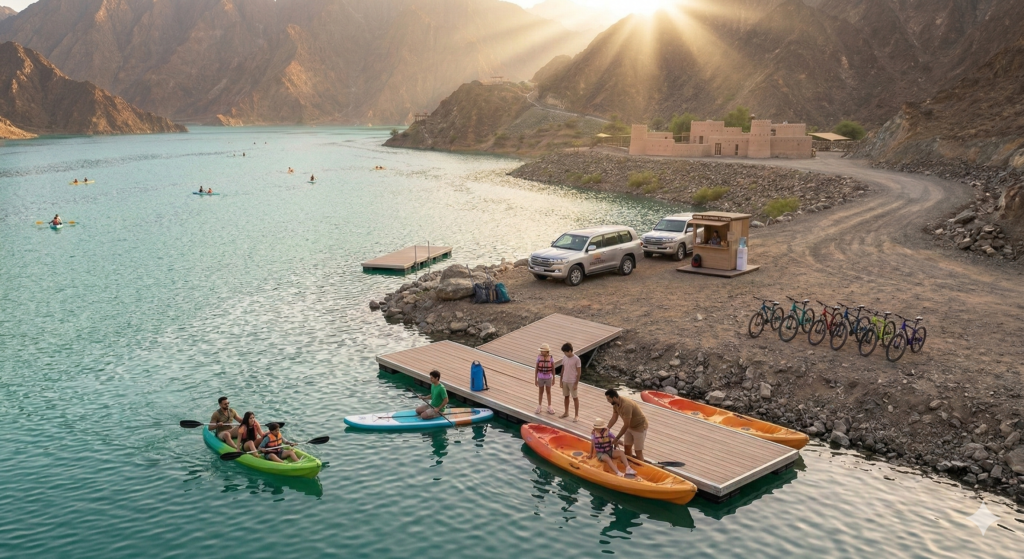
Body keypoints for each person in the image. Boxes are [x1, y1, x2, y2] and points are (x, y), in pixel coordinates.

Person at [605, 389, 649, 462]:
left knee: (638, 451)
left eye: (608, 399)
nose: (608, 401)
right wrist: (607, 428)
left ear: (614, 398)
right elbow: (614, 418)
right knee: (627, 447)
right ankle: (629, 465)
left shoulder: (626, 405)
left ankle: (642, 468)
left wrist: (616, 439)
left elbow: (626, 425)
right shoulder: (615, 404)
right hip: (630, 427)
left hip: (639, 427)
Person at [559, 342, 581, 422]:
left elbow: (579, 372)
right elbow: (563, 369)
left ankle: (576, 415)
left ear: (569, 351)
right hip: (565, 380)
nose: (564, 353)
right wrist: (561, 380)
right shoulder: (564, 357)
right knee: (566, 396)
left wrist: (576, 383)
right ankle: (566, 412)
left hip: (572, 381)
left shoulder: (577, 359)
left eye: (565, 352)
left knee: (575, 398)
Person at [535, 344, 555, 415]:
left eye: (543, 351)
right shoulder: (539, 357)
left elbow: (553, 368)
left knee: (548, 391)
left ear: (547, 351)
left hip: (548, 377)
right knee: (541, 392)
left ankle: (549, 406)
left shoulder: (551, 358)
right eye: (541, 351)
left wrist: (553, 378)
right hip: (540, 377)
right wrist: (535, 379)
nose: (541, 352)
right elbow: (536, 368)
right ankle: (539, 405)